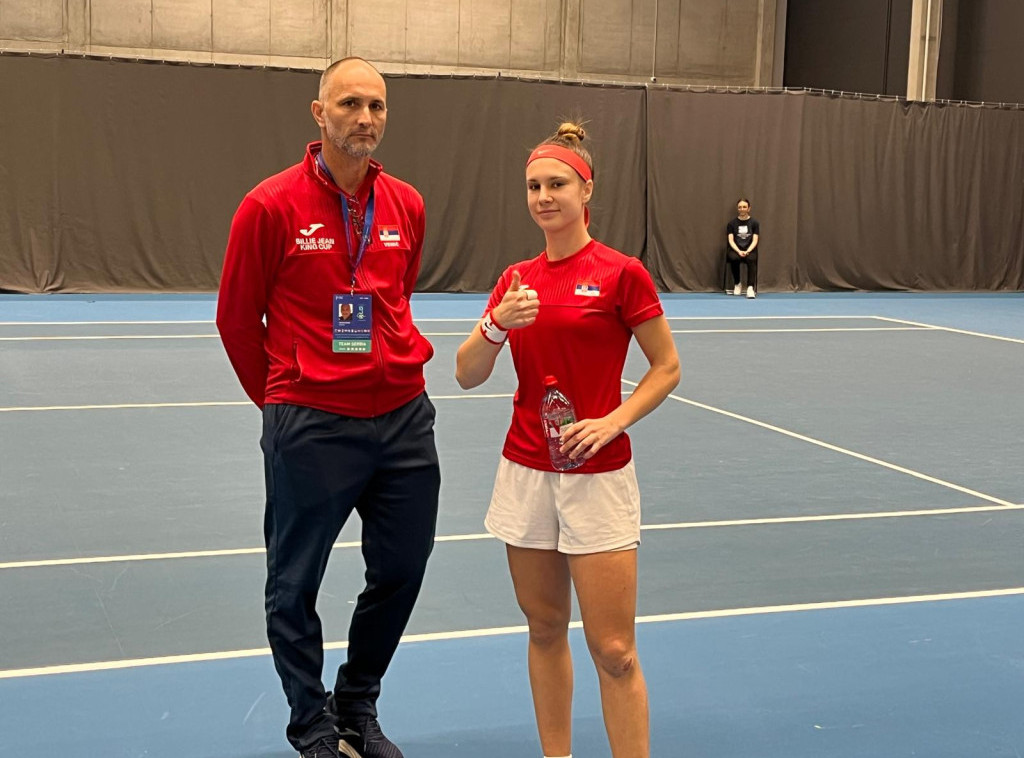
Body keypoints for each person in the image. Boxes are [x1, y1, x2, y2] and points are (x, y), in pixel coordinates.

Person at [217, 57, 439, 758]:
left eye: (376, 105)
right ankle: (310, 723)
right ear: (319, 113)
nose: (365, 118)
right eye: (349, 104)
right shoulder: (268, 205)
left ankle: (356, 704)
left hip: (403, 418)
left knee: (402, 569)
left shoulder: (406, 204)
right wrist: (282, 400)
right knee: (294, 584)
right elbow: (235, 319)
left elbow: (397, 295)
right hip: (311, 423)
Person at [455, 122, 680, 758]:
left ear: (586, 190)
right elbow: (466, 373)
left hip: (598, 478)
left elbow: (666, 367)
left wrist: (613, 420)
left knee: (615, 651)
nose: (543, 196)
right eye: (533, 186)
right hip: (526, 473)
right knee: (545, 626)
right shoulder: (515, 280)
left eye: (556, 184)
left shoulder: (621, 274)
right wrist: (497, 325)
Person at [726, 197, 759, 298]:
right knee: (733, 257)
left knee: (751, 259)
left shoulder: (754, 223)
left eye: (744, 207)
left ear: (749, 208)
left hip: (750, 249)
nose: (742, 209)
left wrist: (748, 251)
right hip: (736, 249)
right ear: (737, 208)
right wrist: (738, 251)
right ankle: (737, 284)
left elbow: (755, 240)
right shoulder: (731, 224)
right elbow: (731, 240)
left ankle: (750, 287)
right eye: (740, 207)